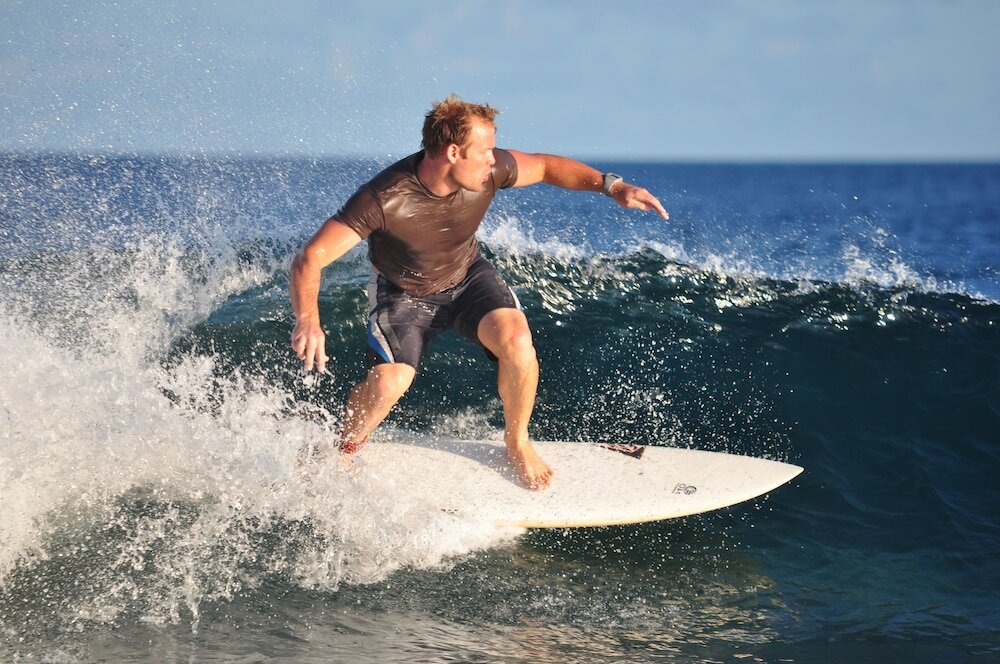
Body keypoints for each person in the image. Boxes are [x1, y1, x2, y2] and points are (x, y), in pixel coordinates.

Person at [290, 95, 668, 491]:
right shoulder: (384, 198)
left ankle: (517, 442)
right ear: (453, 152)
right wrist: (309, 321)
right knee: (388, 384)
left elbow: (543, 166)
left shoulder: (489, 171)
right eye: (484, 151)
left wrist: (613, 186)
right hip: (404, 294)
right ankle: (346, 445)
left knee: (518, 343)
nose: (493, 159)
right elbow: (310, 258)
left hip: (468, 276)